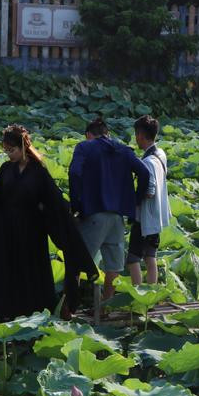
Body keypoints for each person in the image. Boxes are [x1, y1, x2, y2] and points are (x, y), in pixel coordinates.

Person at [0, 125, 95, 321]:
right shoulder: (6, 169)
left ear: (23, 146)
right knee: (3, 270)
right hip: (5, 229)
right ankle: (1, 313)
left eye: (11, 150)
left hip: (30, 230)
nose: (9, 154)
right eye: (6, 150)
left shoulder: (38, 171)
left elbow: (54, 199)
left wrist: (67, 211)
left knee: (29, 271)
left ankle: (30, 314)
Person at [68, 117, 150, 298]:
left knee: (76, 261)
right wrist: (135, 200)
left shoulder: (84, 147)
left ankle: (69, 307)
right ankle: (106, 306)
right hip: (118, 217)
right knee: (114, 266)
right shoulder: (123, 150)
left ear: (89, 135)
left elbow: (74, 172)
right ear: (108, 133)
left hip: (94, 214)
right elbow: (144, 172)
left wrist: (76, 205)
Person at [127, 115, 170, 285]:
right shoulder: (161, 154)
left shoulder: (148, 162)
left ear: (140, 135)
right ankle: (151, 297)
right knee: (150, 257)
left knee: (132, 259)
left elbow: (149, 191)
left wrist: (132, 199)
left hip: (144, 218)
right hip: (157, 216)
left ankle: (139, 296)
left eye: (136, 134)